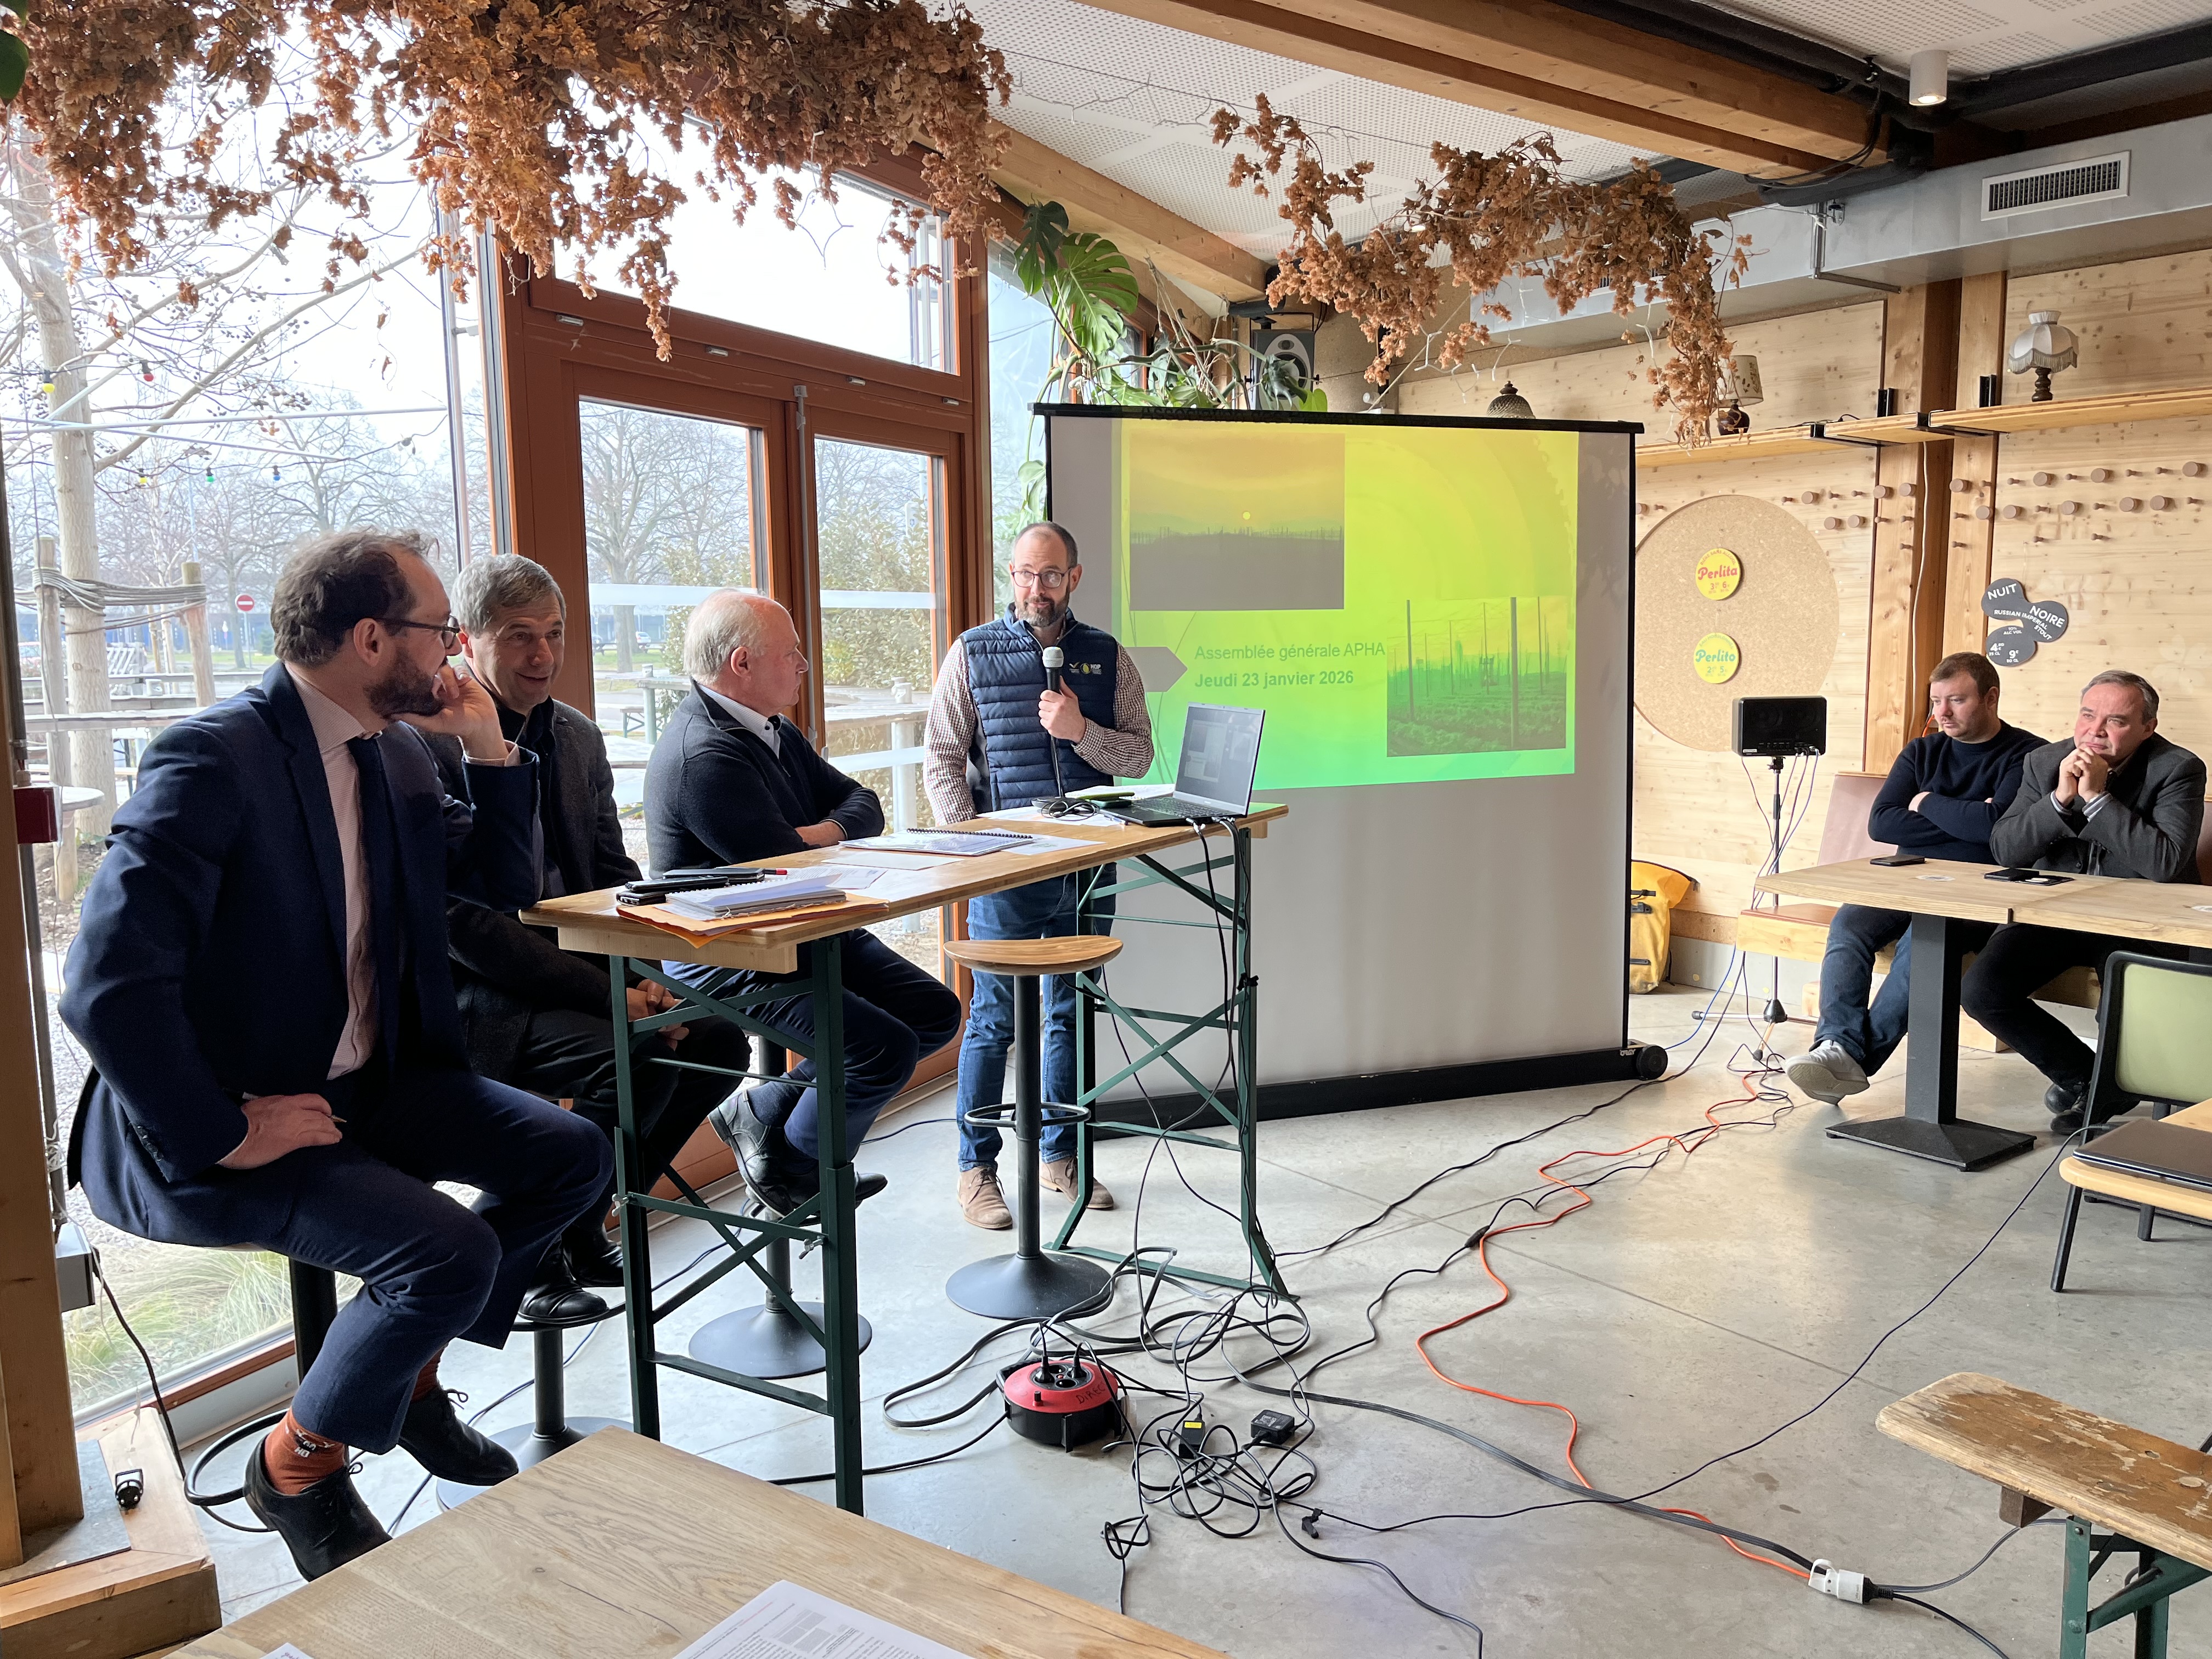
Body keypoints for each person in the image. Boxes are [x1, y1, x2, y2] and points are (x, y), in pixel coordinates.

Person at [59, 530, 612, 1580]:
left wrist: (488, 747)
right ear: (370, 638)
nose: (453, 647)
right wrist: (226, 1126)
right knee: (449, 1251)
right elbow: (106, 983)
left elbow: (497, 888)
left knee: (573, 1156)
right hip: (233, 1115)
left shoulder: (395, 750)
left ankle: (404, 1372)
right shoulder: (215, 758)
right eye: (439, 628)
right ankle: (296, 1466)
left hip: (377, 1080)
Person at [430, 554, 752, 1311]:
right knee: (634, 1058)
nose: (543, 654)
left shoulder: (574, 735)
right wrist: (613, 997)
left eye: (555, 633)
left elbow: (614, 878)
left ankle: (578, 1222)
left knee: (716, 1043)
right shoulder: (429, 743)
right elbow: (462, 925)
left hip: (578, 971)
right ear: (467, 640)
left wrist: (648, 981)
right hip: (477, 995)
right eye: (519, 636)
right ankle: (522, 1253)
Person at [645, 590, 961, 1214]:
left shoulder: (773, 731)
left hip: (801, 928)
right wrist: (810, 841)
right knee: (879, 1050)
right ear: (741, 663)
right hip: (732, 950)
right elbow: (781, 863)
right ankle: (795, 1168)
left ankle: (766, 1114)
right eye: (790, 653)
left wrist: (814, 834)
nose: (803, 665)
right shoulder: (702, 755)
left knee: (933, 1014)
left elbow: (864, 805)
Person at [923, 521, 1154, 1228]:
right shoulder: (972, 652)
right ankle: (976, 1171)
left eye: (1051, 575)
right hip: (1007, 873)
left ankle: (1060, 1156)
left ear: (1074, 578)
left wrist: (1080, 731)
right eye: (1025, 573)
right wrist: (979, 850)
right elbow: (941, 760)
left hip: (1087, 868)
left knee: (1068, 1013)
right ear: (1012, 575)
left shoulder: (1107, 656)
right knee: (993, 1020)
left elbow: (1139, 757)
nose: (1036, 588)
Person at [1788, 652, 2044, 1104]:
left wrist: (1924, 802)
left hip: (1980, 889)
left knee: (1920, 946)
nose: (1942, 713)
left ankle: (1847, 1060)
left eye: (1957, 700)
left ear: (1991, 698)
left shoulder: (2028, 755)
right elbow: (1882, 823)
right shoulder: (1921, 751)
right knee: (1848, 925)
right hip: (1907, 877)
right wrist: (1968, 819)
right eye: (1936, 701)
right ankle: (1837, 1046)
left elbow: (1996, 833)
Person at [1966, 669, 2207, 1131]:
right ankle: (2089, 1080)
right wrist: (2059, 799)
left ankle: (2105, 1093)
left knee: (2118, 1005)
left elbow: (2164, 863)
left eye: (2115, 721)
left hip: (2139, 918)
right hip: (2059, 912)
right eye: (2087, 715)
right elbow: (2006, 850)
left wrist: (2096, 798)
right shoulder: (2044, 762)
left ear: (2147, 727)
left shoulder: (2177, 768)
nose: (2095, 731)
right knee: (1983, 991)